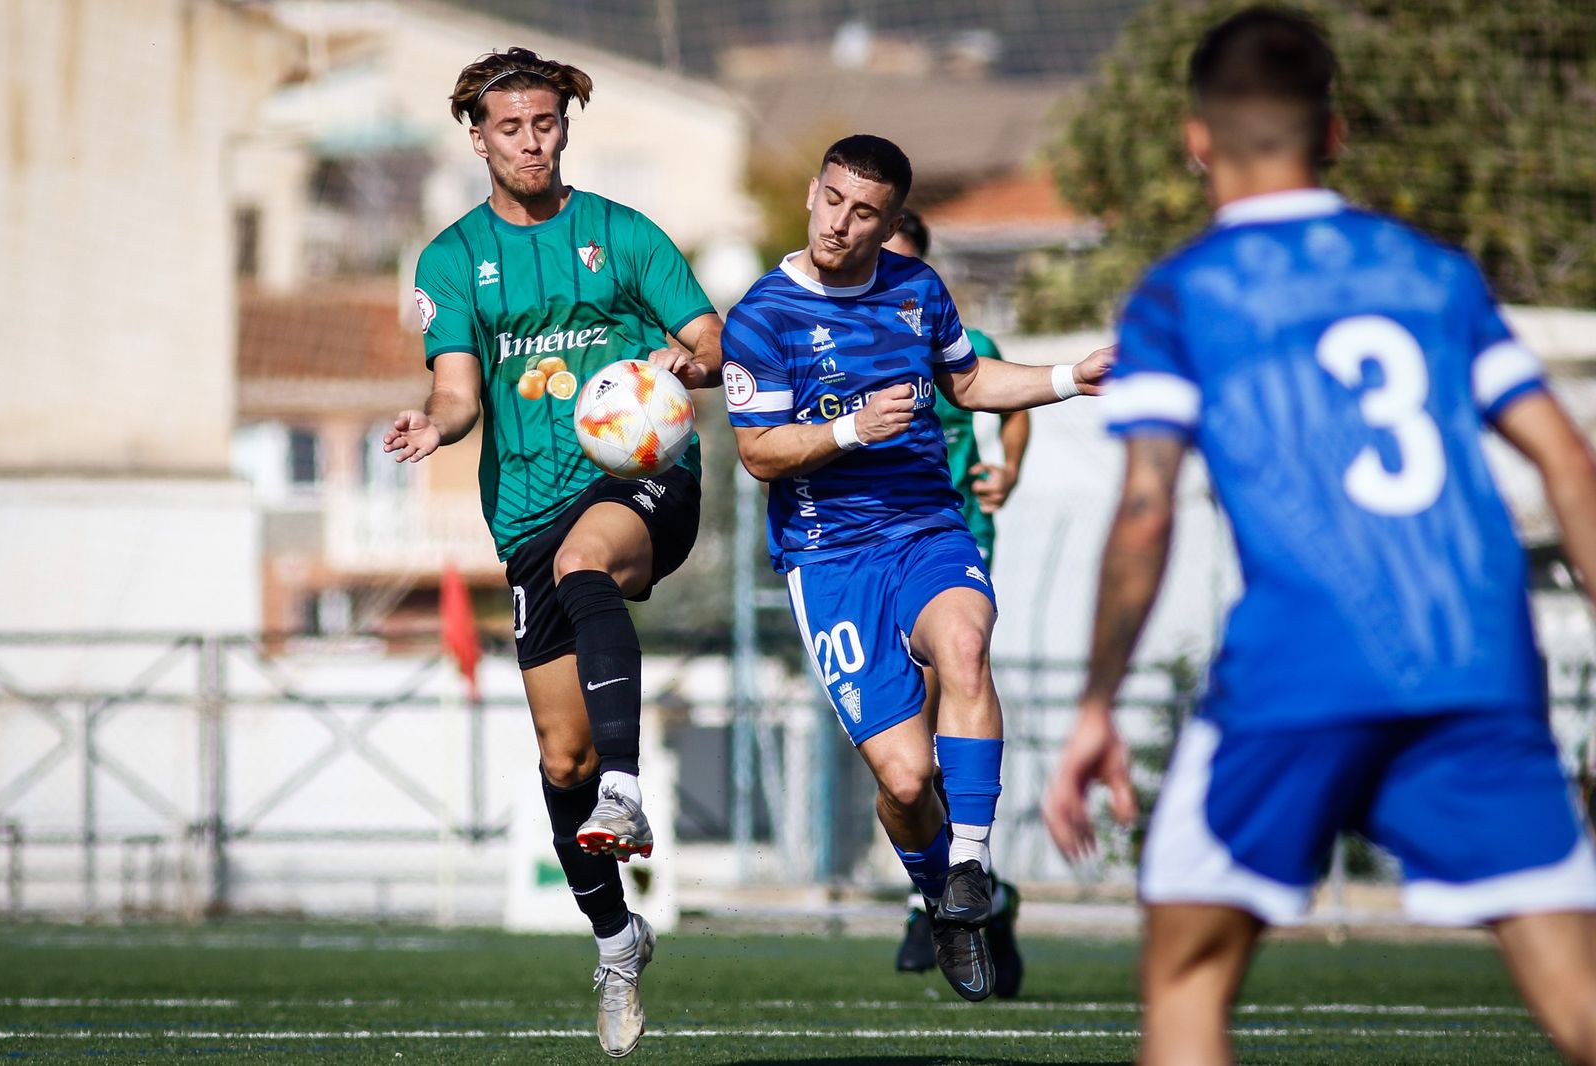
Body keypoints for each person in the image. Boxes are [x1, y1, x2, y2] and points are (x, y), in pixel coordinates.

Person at [1042, 8, 1596, 1065]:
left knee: (1188, 973)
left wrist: (1096, 703)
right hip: (1475, 657)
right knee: (1577, 991)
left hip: (1300, 666)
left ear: (1195, 139)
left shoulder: (1183, 294)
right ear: (1332, 133)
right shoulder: (1434, 272)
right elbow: (1567, 460)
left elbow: (1148, 506)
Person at [383, 47, 722, 1059]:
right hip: (525, 510)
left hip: (643, 475)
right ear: (477, 138)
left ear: (564, 126)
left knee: (587, 563)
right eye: (510, 128)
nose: (531, 143)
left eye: (545, 124)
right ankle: (617, 939)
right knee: (559, 753)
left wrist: (682, 360)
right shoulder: (452, 260)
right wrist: (435, 425)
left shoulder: (622, 233)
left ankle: (626, 786)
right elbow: (457, 389)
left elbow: (710, 339)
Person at [723, 133, 1112, 1001]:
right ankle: (941, 898)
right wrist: (851, 429)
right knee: (904, 780)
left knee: (965, 645)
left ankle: (971, 865)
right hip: (829, 558)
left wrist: (1069, 378)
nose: (839, 223)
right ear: (813, 193)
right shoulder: (763, 316)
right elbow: (759, 452)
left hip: (927, 528)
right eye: (831, 200)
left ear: (890, 220)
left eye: (864, 212)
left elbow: (969, 384)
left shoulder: (917, 289)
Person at [882, 210, 1028, 996]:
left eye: (897, 259)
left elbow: (1007, 402)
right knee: (905, 753)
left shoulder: (957, 340)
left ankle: (954, 887)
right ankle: (971, 894)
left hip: (950, 543)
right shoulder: (843, 339)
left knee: (948, 700)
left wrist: (1008, 471)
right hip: (875, 557)